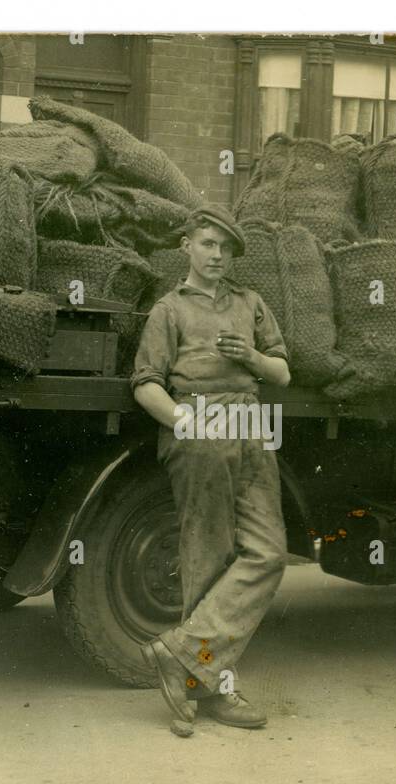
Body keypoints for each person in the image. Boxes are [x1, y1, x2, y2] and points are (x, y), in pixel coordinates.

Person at [130, 205, 290, 733]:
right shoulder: (168, 310)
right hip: (199, 424)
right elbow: (146, 382)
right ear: (188, 247)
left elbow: (282, 372)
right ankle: (215, 685)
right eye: (207, 244)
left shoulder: (250, 303)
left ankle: (180, 654)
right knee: (208, 555)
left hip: (252, 424)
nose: (217, 255)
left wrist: (251, 358)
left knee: (268, 552)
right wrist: (185, 421)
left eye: (225, 248)